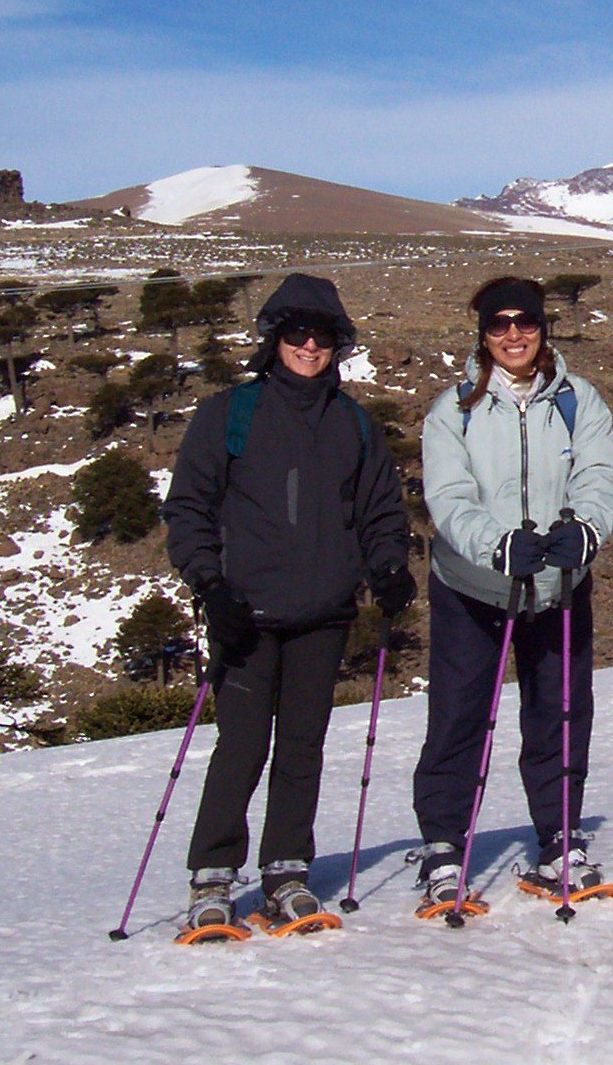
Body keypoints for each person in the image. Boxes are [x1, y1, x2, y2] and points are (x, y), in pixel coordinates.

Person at [162, 272, 416, 931]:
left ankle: (286, 873)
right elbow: (188, 507)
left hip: (324, 613)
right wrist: (209, 585)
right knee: (242, 745)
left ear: (338, 343)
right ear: (275, 338)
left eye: (323, 335)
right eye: (297, 332)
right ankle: (212, 877)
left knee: (303, 746)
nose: (310, 345)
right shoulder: (229, 414)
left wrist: (388, 565)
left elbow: (380, 509)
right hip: (244, 613)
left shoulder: (353, 422)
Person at [412, 276, 613, 907]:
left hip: (557, 584)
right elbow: (448, 496)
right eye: (500, 324)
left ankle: (559, 835)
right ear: (482, 334)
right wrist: (493, 545)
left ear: (542, 328)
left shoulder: (578, 400)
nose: (514, 334)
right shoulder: (453, 408)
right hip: (472, 586)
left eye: (525, 322)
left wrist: (585, 529)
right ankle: (445, 845)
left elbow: (599, 473)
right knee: (458, 715)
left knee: (559, 713)